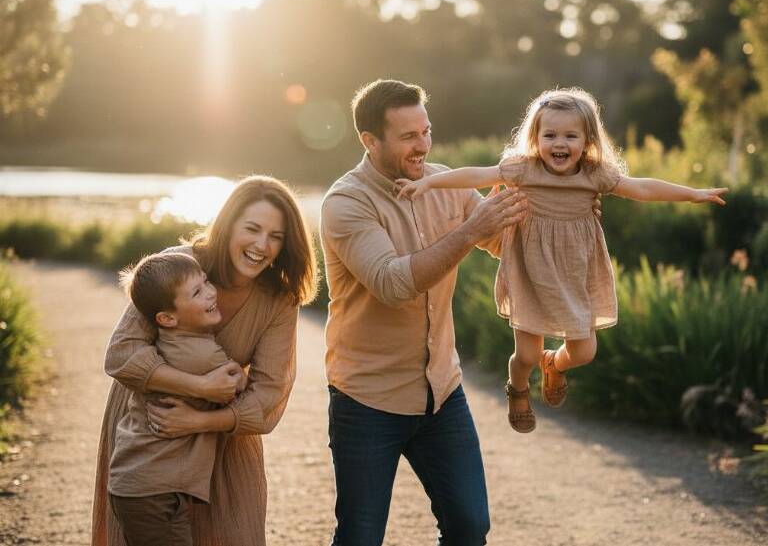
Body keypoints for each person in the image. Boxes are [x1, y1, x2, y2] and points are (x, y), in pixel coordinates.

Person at [395, 87, 728, 433]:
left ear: (587, 140)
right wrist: (429, 184)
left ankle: (554, 364)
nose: (560, 143)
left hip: (575, 275)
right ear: (535, 138)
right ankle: (518, 388)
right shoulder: (524, 169)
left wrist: (692, 194)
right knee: (525, 356)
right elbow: (477, 175)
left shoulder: (594, 175)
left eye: (571, 136)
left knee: (584, 352)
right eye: (550, 135)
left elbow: (642, 188)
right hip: (530, 272)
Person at [319, 79, 539, 545]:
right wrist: (469, 230)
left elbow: (504, 242)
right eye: (408, 136)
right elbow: (393, 284)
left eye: (426, 131)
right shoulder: (345, 203)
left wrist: (565, 207)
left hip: (442, 393)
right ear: (370, 140)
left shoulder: (446, 184)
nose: (423, 145)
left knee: (469, 528)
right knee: (360, 537)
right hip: (367, 400)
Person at [92, 175, 317, 546]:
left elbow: (268, 394)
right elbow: (122, 353)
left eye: (276, 236)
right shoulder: (179, 265)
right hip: (151, 429)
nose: (262, 245)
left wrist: (200, 420)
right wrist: (199, 386)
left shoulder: (280, 299)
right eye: (252, 229)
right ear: (228, 225)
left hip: (222, 437)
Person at [108, 252, 240, 546]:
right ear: (167, 318)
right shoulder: (204, 356)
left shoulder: (168, 343)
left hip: (141, 483)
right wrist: (241, 373)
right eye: (197, 292)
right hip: (153, 489)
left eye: (206, 282)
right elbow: (236, 384)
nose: (210, 293)